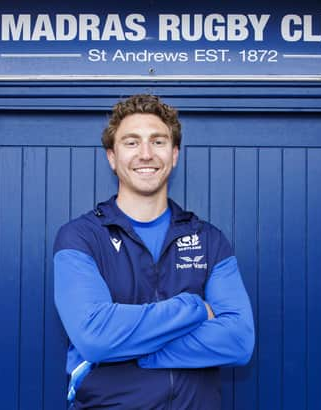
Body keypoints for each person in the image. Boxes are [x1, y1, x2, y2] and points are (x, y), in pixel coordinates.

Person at [53, 94, 254, 409]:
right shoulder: (81, 237)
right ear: (111, 156)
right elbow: (94, 336)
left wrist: (133, 349)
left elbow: (239, 341)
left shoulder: (209, 239)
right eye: (131, 143)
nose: (146, 154)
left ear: (174, 155)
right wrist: (196, 308)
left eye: (158, 142)